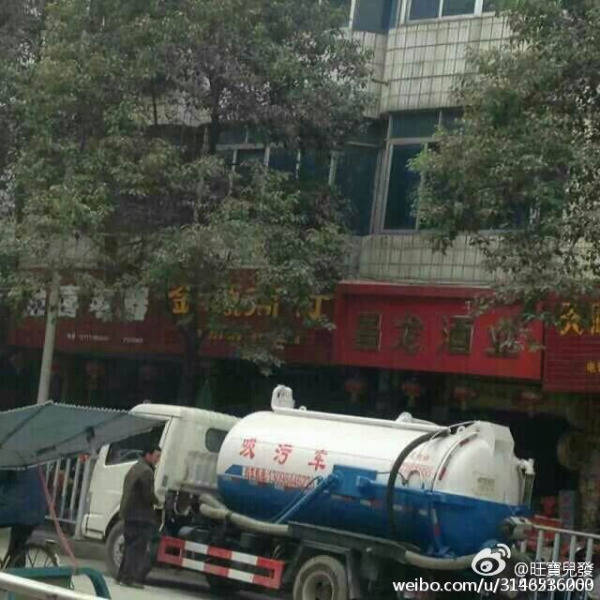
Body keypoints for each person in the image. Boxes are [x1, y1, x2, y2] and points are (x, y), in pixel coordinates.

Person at [116, 445, 161, 588]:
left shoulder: (135, 467)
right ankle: (129, 579)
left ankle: (121, 576)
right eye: (156, 456)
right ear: (148, 455)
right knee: (137, 549)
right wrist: (158, 501)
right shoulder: (146, 471)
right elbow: (148, 495)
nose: (158, 459)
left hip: (129, 514)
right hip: (140, 516)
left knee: (129, 546)